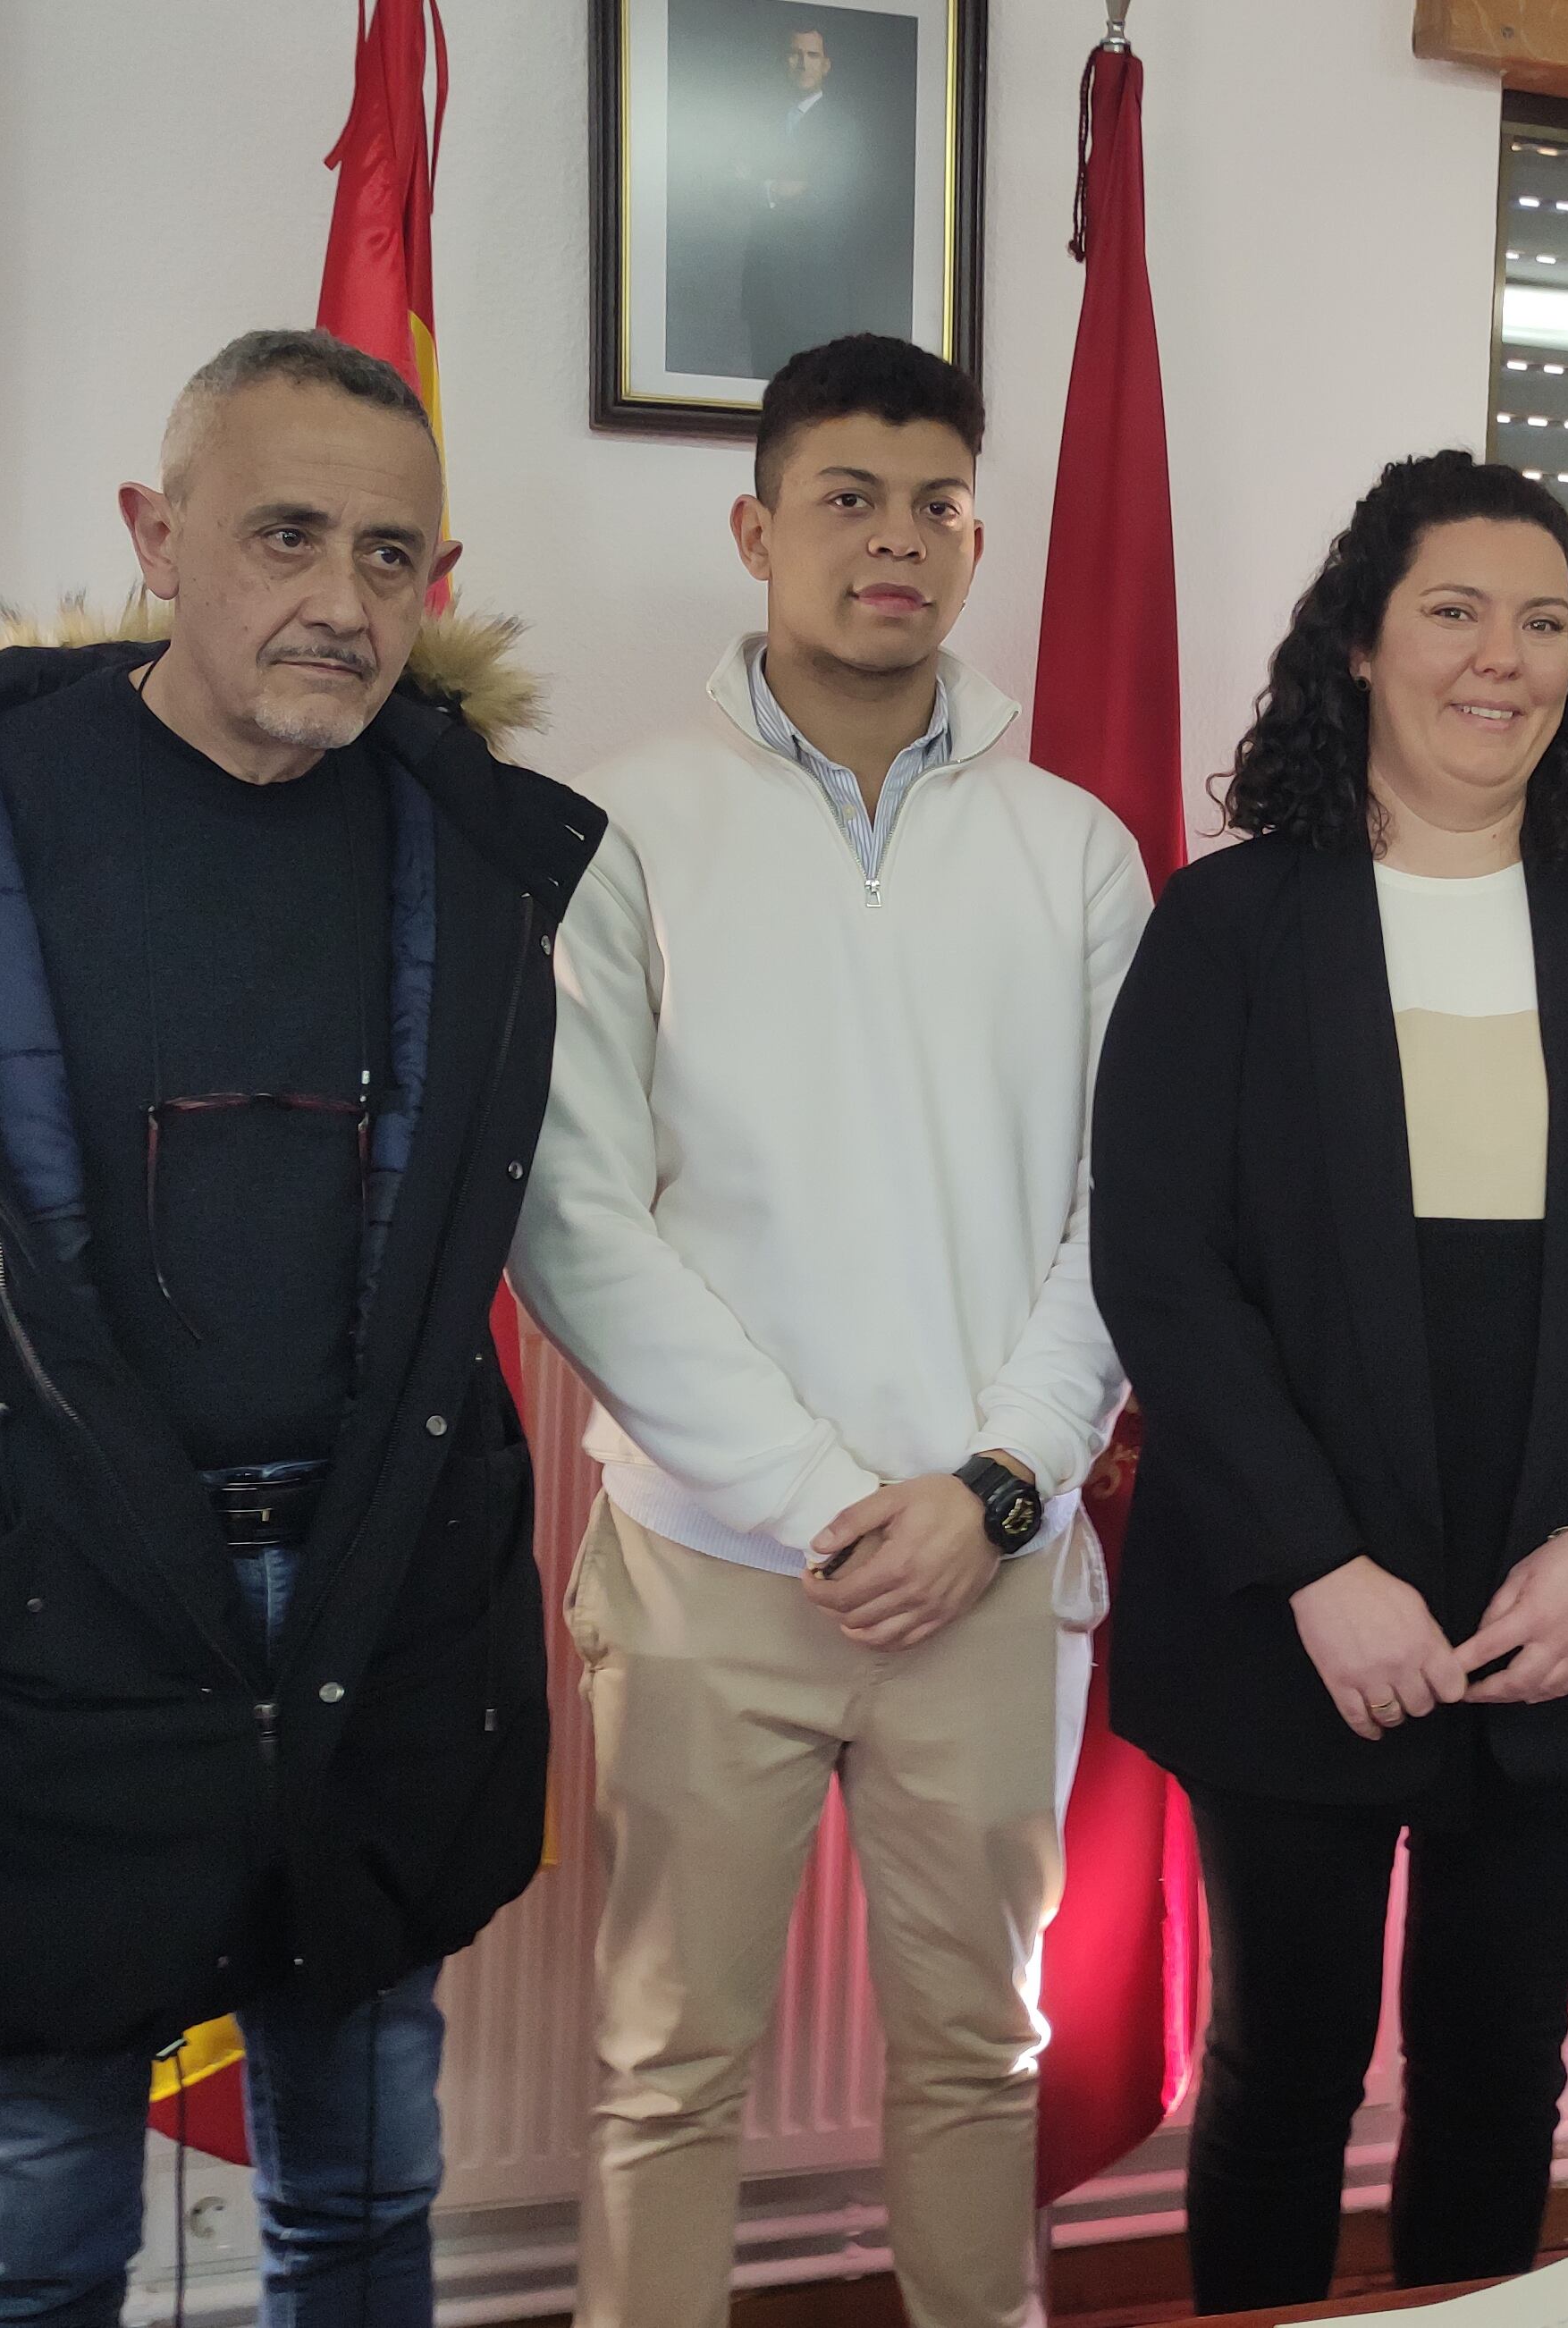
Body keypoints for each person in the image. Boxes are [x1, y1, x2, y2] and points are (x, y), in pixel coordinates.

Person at [0, 328, 601, 2325]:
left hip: (374, 1617)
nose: (341, 602)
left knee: (359, 2203)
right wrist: (0, 1477)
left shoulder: (473, 850)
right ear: (156, 537)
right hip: (35, 1627)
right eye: (284, 536)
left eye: (391, 557)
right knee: (36, 2229)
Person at [1088, 450, 1568, 2309]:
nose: (1504, 659)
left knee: (1497, 2078)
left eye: (1543, 620)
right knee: (1280, 2072)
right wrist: (1318, 1565)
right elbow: (1161, 1267)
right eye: (1453, 612)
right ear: (1360, 651)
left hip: (1561, 1608)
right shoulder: (1227, 926)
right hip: (1289, 1610)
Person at [510, 333, 1143, 2328]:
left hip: (983, 1564)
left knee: (980, 2063)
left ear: (975, 536)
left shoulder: (1076, 854)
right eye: (846, 499)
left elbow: (1128, 1219)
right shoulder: (616, 831)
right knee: (661, 2073)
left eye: (935, 503)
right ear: (753, 526)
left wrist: (991, 1486)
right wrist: (809, 1499)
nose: (895, 539)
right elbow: (569, 1214)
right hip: (714, 1566)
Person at [740, 21, 872, 371]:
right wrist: (779, 188)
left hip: (816, 299)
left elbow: (823, 201)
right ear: (783, 60)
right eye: (795, 54)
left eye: (812, 55)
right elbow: (726, 188)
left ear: (826, 64)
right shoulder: (759, 122)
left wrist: (759, 186)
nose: (803, 63)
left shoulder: (843, 129)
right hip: (763, 292)